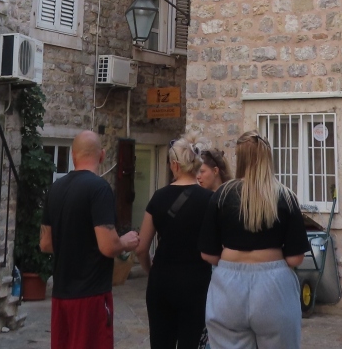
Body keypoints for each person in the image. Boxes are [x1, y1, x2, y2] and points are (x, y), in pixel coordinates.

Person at [199, 131, 310, 349]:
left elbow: (207, 253)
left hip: (228, 286)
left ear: (239, 158)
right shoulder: (286, 196)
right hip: (274, 285)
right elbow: (296, 258)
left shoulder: (221, 195)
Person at [40, 131, 139, 349]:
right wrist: (125, 241)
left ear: (73, 155)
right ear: (102, 155)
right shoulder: (99, 189)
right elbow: (108, 246)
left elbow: (45, 244)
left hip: (61, 295)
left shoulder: (55, 188)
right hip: (90, 295)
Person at [137, 140, 214, 349]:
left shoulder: (158, 197)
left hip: (162, 280)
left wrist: (150, 270)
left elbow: (142, 247)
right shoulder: (210, 199)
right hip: (196, 281)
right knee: (191, 341)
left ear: (175, 165)